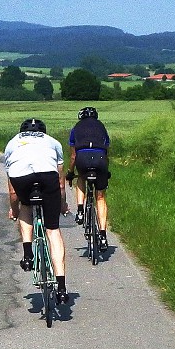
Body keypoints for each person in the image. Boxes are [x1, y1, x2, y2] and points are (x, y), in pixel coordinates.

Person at [3, 117, 69, 306]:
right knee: (53, 230)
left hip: (20, 177)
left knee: (25, 205)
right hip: (48, 177)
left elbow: (12, 192)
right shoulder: (53, 142)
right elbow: (60, 183)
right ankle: (62, 289)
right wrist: (62, 204)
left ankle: (27, 254)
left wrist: (14, 210)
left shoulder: (12, 143)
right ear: (44, 132)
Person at [66, 106, 111, 252]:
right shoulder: (101, 127)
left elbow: (73, 156)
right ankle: (103, 235)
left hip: (83, 158)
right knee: (100, 197)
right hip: (100, 159)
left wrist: (70, 172)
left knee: (81, 178)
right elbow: (106, 151)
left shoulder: (76, 128)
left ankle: (80, 210)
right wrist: (105, 171)